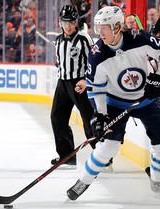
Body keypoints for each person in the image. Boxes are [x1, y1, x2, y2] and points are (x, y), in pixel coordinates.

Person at [66, 6, 160, 201]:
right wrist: (100, 114)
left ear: (118, 26)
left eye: (105, 27)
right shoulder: (97, 54)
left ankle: (158, 183)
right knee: (108, 145)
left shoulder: (140, 39)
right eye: (98, 27)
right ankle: (83, 181)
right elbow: (95, 88)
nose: (100, 32)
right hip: (115, 102)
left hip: (146, 99)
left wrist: (159, 78)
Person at [50, 5, 98, 169]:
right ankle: (67, 156)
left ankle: (102, 157)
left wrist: (86, 80)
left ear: (76, 22)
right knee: (57, 117)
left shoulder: (84, 39)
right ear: (60, 22)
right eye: (65, 22)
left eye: (71, 22)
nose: (68, 25)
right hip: (63, 83)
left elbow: (94, 61)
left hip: (80, 83)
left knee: (89, 119)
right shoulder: (58, 40)